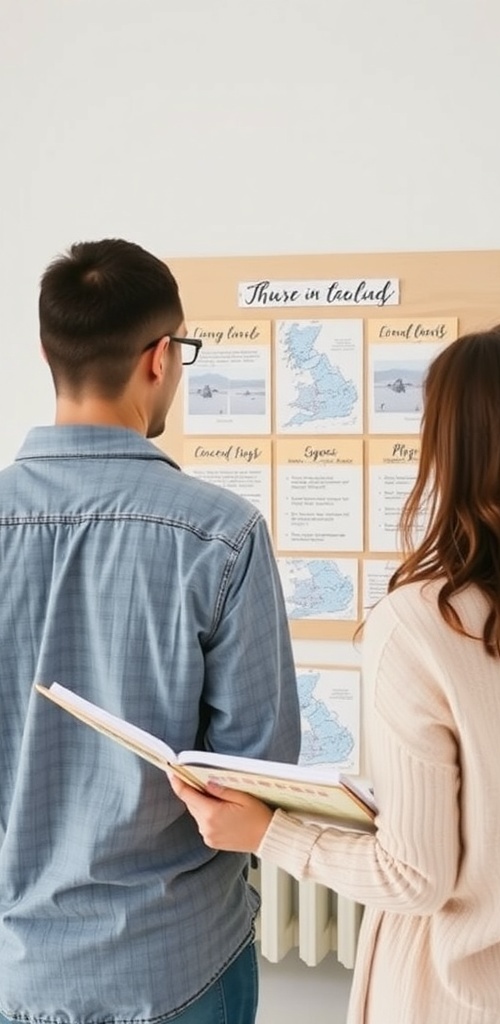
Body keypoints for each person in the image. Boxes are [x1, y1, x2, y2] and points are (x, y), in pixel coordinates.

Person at [170, 323, 500, 1024]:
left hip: (457, 997)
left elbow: (415, 877)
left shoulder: (424, 623)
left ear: (446, 449)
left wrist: (268, 834)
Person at [0, 238, 301, 1024]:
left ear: (47, 353)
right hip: (179, 962)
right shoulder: (222, 535)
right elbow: (258, 773)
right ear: (160, 358)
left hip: (17, 969)